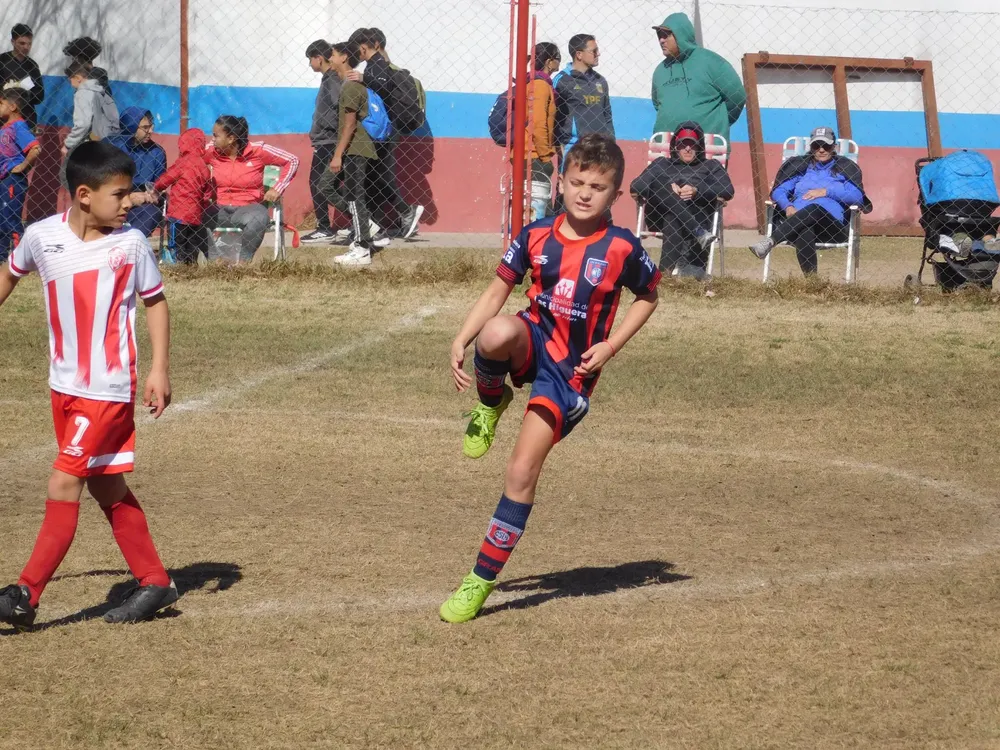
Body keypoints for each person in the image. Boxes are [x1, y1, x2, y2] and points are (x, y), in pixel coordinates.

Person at [440, 133, 661, 623]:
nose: (585, 193)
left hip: (569, 375)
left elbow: (648, 296)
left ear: (615, 195)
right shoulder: (535, 235)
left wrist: (610, 346)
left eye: (598, 186)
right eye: (577, 181)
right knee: (494, 334)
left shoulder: (623, 247)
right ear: (560, 183)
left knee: (520, 473)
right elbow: (497, 291)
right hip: (533, 339)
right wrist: (462, 337)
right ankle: (490, 402)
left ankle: (478, 580)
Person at [0, 141, 177, 628]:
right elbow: (11, 274)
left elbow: (156, 302)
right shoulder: (41, 237)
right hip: (63, 387)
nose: (129, 203)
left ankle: (24, 593)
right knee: (107, 486)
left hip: (107, 390)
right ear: (83, 195)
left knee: (64, 480)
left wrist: (159, 369)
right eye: (119, 195)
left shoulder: (130, 245)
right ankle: (155, 580)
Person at [750, 126, 871, 275]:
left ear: (834, 146)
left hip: (831, 228)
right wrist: (787, 206)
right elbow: (778, 191)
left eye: (826, 145)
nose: (821, 150)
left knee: (814, 208)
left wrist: (826, 192)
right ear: (811, 147)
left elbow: (857, 197)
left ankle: (771, 241)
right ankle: (812, 283)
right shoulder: (801, 168)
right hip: (798, 224)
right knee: (805, 230)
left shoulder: (844, 168)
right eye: (816, 145)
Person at [630, 121, 734, 279]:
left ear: (699, 147)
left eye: (692, 144)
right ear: (674, 146)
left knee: (674, 217)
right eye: (682, 144)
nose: (687, 148)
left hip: (696, 215)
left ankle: (663, 276)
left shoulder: (711, 166)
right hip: (659, 216)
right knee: (660, 185)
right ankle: (698, 233)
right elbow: (636, 186)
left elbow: (727, 190)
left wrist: (696, 191)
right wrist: (667, 188)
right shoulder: (662, 164)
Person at [348, 28, 423, 240]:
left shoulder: (375, 67)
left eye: (359, 48)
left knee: (380, 174)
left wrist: (364, 78)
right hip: (382, 130)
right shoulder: (378, 65)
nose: (358, 52)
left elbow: (383, 85)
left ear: (368, 46)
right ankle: (377, 223)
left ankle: (406, 211)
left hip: (385, 130)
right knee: (375, 176)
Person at [203, 115, 299, 263]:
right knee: (193, 214)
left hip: (247, 209)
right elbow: (189, 161)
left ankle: (243, 262)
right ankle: (216, 262)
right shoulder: (211, 151)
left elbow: (292, 160)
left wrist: (277, 188)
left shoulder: (257, 151)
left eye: (216, 135)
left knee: (259, 217)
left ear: (231, 138)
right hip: (218, 210)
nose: (212, 139)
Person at [317, 43, 378, 267]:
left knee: (354, 197)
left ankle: (362, 247)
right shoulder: (347, 84)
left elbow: (350, 125)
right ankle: (364, 232)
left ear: (343, 57)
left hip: (355, 148)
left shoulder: (351, 87)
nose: (329, 59)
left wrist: (337, 156)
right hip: (351, 147)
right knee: (348, 195)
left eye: (332, 55)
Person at [650, 14, 746, 146]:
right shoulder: (660, 71)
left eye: (666, 35)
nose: (661, 40)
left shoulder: (711, 62)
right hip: (666, 148)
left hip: (706, 148)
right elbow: (657, 105)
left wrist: (718, 122)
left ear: (681, 34)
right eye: (659, 35)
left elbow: (737, 97)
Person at [299, 40, 343, 245]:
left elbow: (341, 109)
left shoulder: (332, 80)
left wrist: (328, 129)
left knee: (318, 183)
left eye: (310, 59)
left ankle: (324, 227)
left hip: (329, 141)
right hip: (326, 139)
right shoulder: (328, 79)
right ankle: (358, 219)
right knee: (329, 184)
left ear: (319, 58)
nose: (310, 64)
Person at [152, 127, 213, 264]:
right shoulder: (204, 166)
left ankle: (177, 263)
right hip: (195, 216)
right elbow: (207, 193)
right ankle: (190, 265)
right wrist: (201, 207)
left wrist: (156, 187)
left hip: (178, 214)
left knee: (177, 241)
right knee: (191, 242)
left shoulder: (183, 162)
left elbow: (167, 178)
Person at [106, 107, 167, 237]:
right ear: (132, 127)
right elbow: (101, 184)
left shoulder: (157, 153)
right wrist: (129, 198)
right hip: (112, 200)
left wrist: (152, 195)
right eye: (145, 127)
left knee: (152, 213)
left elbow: (159, 186)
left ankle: (130, 244)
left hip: (142, 206)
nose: (151, 131)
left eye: (151, 126)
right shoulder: (111, 147)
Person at [552, 35, 615, 156]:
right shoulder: (562, 80)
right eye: (594, 51)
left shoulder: (600, 80)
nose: (598, 54)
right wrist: (558, 145)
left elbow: (607, 115)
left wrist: (611, 143)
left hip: (600, 148)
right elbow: (552, 115)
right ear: (579, 55)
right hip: (574, 148)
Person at [0, 88, 39, 261]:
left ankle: (21, 260)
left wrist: (22, 166)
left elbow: (35, 149)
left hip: (12, 180)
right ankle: (2, 257)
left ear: (13, 106)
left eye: (1, 104)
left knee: (11, 219)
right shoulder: (5, 128)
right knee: (2, 219)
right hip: (3, 179)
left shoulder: (18, 127)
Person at [525, 42, 559, 222]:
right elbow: (537, 123)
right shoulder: (540, 85)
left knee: (540, 210)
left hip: (531, 154)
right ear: (549, 61)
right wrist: (546, 156)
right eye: (558, 58)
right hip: (534, 155)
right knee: (537, 212)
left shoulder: (535, 82)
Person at [63, 63, 119, 157]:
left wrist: (68, 144)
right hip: (108, 140)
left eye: (70, 80)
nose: (71, 85)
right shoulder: (101, 90)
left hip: (90, 143)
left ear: (77, 78)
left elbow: (83, 124)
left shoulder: (82, 93)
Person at [0, 24, 44, 126]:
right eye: (22, 43)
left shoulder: (32, 66)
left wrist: (24, 93)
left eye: (29, 44)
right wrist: (7, 91)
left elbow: (40, 95)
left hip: (26, 119)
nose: (26, 47)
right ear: (13, 42)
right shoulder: (2, 61)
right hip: (3, 119)